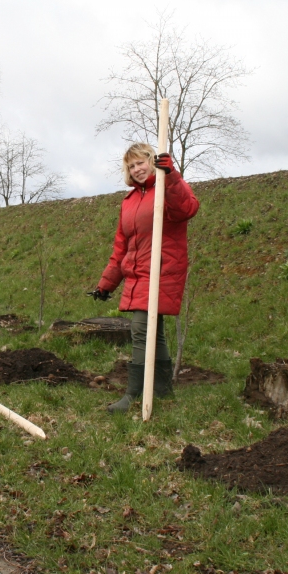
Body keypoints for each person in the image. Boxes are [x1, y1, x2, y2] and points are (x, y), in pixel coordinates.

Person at [92, 143, 200, 413]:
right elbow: (121, 247)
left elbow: (187, 208)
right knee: (154, 334)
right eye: (131, 166)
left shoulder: (166, 187)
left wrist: (172, 176)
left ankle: (134, 395)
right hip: (138, 274)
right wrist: (106, 285)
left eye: (141, 162)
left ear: (152, 162)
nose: (136, 169)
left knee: (140, 329)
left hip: (162, 271)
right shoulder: (129, 202)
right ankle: (163, 392)